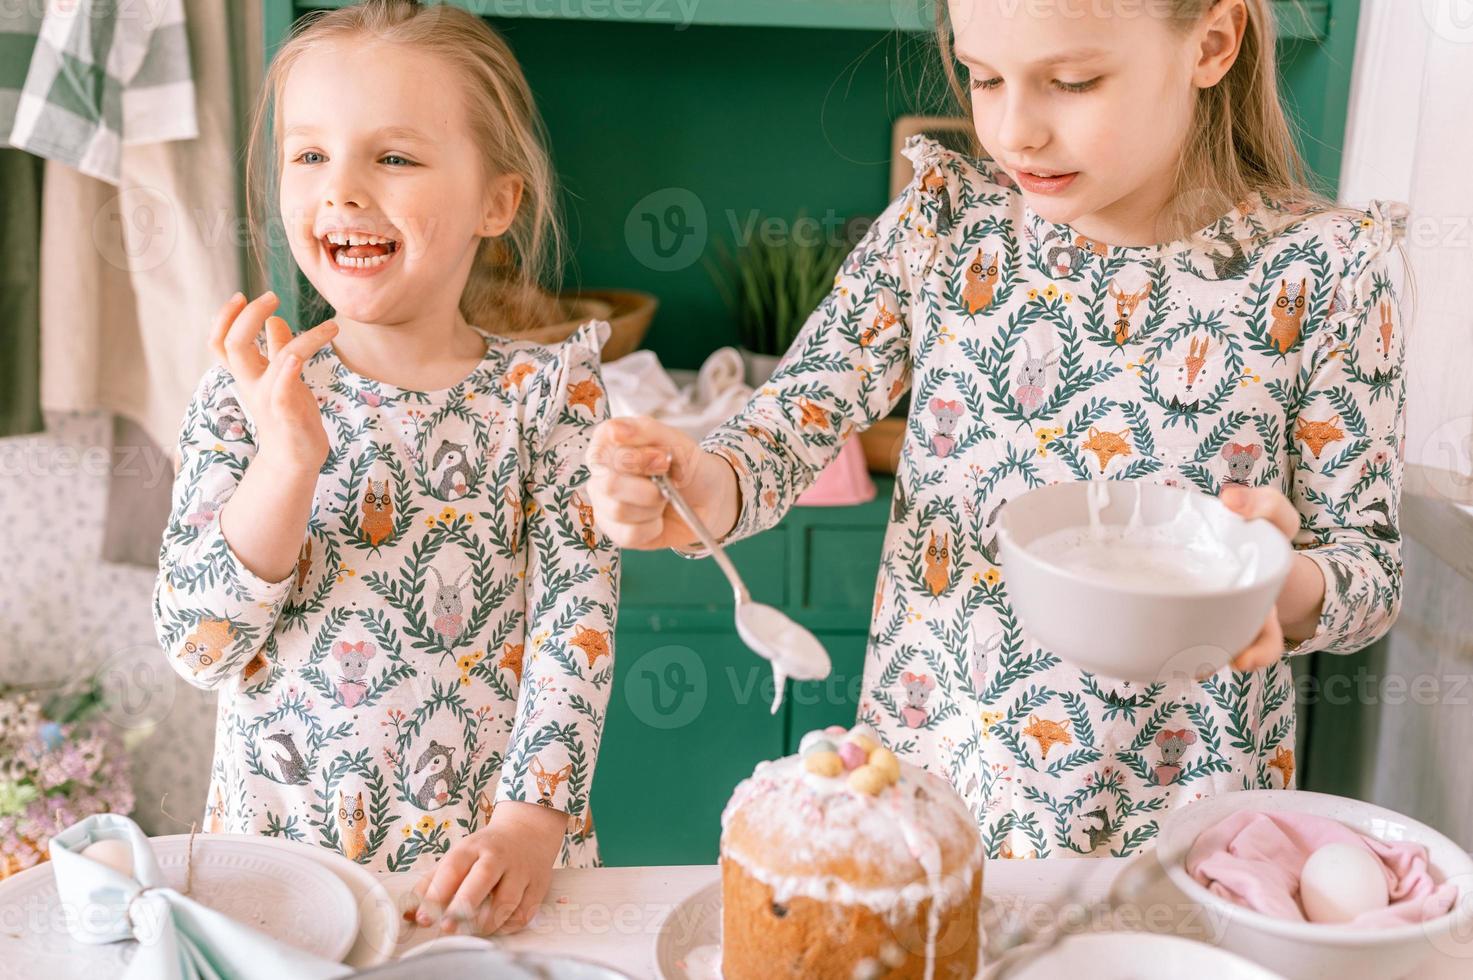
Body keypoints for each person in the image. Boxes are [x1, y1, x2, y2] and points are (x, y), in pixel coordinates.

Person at [586, 0, 1408, 859]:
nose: (1015, 132)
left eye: (1071, 81)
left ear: (1210, 41)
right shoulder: (943, 231)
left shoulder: (1321, 275)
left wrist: (1275, 584)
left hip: (1188, 843)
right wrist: (697, 488)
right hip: (933, 818)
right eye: (982, 77)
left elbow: (1369, 573)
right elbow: (783, 429)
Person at [152, 0, 618, 935]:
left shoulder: (551, 396)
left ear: (497, 200)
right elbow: (199, 648)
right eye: (310, 155)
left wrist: (532, 822)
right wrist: (284, 461)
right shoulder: (248, 391)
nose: (344, 190)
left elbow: (579, 623)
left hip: (482, 882)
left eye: (393, 157)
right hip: (277, 878)